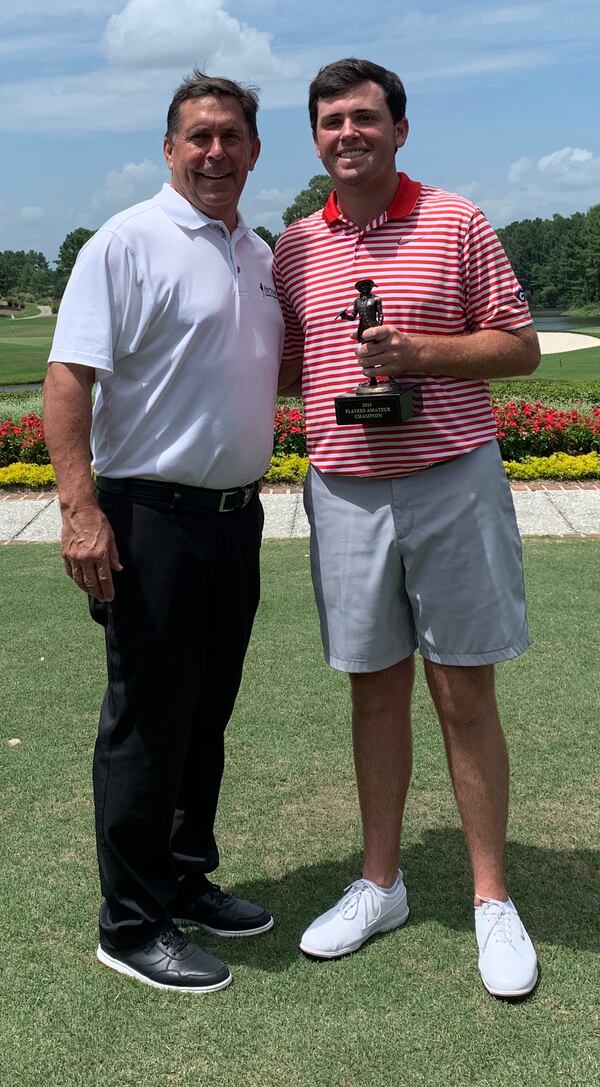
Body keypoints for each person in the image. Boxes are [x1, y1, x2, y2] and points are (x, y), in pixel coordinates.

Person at [274, 57, 540, 998]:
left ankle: (491, 897)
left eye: (366, 118)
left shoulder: (457, 220)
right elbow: (282, 365)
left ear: (400, 128)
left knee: (464, 689)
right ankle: (379, 882)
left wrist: (421, 353)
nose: (349, 133)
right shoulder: (297, 246)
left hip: (450, 480)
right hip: (344, 488)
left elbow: (519, 344)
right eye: (332, 121)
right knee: (373, 690)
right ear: (314, 137)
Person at [44, 70, 283, 993]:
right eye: (198, 136)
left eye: (231, 137)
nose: (215, 150)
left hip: (237, 517)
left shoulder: (256, 253)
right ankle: (132, 922)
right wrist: (79, 509)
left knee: (204, 712)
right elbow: (71, 379)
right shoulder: (127, 242)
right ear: (170, 148)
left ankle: (185, 878)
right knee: (147, 722)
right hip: (149, 517)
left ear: (255, 152)